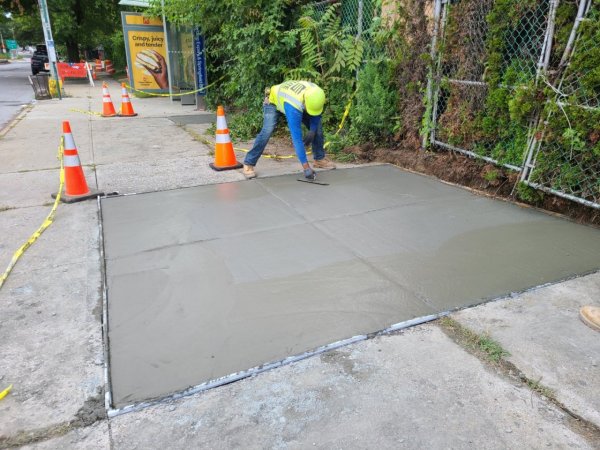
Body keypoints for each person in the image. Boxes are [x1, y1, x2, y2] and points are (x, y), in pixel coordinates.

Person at [242, 80, 336, 180]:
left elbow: (316, 115)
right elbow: (297, 139)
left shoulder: (317, 94)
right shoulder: (293, 105)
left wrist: (313, 130)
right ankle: (249, 162)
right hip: (273, 102)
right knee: (267, 130)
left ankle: (319, 159)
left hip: (295, 100)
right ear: (305, 102)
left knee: (318, 129)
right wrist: (306, 168)